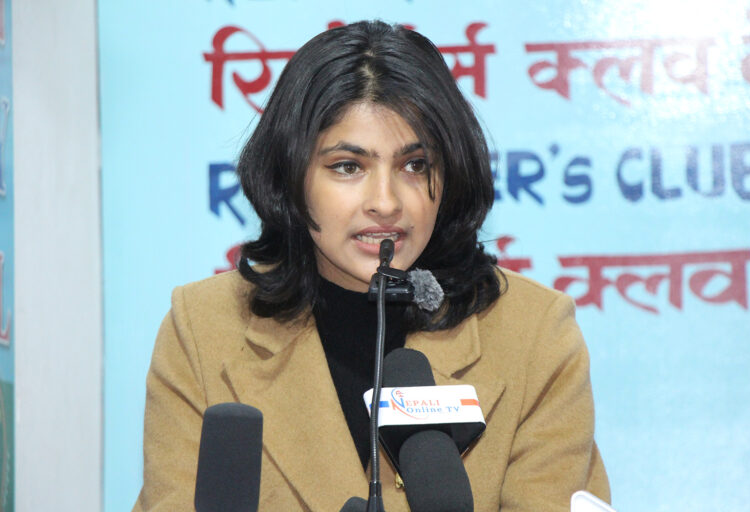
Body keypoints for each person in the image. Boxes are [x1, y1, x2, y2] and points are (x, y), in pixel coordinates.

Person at [134, 20, 610, 512]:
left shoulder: (534, 334)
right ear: (290, 176)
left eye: (415, 165)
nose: (386, 202)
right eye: (348, 166)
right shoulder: (203, 328)